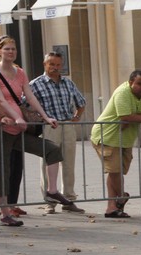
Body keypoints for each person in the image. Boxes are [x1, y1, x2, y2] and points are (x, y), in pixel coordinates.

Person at [0, 35, 63, 227]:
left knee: (52, 149)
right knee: (3, 172)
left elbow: (30, 96)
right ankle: (5, 214)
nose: (11, 52)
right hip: (0, 129)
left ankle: (52, 190)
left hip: (18, 130)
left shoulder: (20, 72)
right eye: (7, 49)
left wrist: (46, 117)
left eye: (13, 48)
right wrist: (17, 118)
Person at [91, 70, 141, 218]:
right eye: (139, 84)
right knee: (115, 171)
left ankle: (111, 207)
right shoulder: (122, 92)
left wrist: (135, 118)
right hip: (107, 136)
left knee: (116, 172)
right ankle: (121, 196)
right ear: (130, 82)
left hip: (125, 139)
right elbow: (125, 116)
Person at [30, 50, 87, 214]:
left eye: (58, 65)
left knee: (69, 163)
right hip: (49, 127)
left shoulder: (68, 83)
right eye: (51, 64)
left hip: (67, 125)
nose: (55, 67)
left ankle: (68, 199)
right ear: (45, 64)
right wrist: (40, 118)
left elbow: (81, 102)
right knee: (47, 164)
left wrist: (77, 116)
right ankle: (50, 201)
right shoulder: (35, 84)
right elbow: (25, 104)